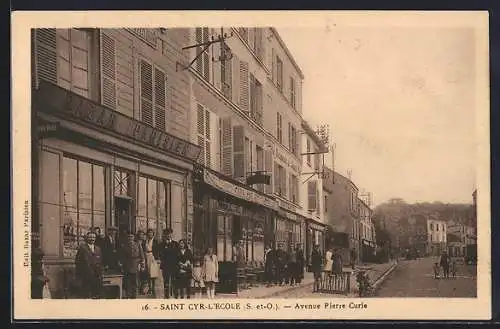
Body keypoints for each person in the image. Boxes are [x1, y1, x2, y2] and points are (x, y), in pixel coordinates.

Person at [75, 231, 103, 299]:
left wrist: (99, 271)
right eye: (90, 237)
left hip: (96, 275)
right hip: (86, 275)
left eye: (93, 237)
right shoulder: (82, 248)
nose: (92, 239)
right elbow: (77, 261)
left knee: (96, 293)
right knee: (86, 294)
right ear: (87, 238)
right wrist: (81, 273)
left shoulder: (98, 248)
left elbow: (100, 261)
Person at [119, 231, 145, 299]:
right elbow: (122, 256)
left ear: (134, 237)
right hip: (127, 265)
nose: (130, 238)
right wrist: (122, 265)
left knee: (135, 281)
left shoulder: (138, 244)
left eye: (131, 236)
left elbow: (142, 255)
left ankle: (134, 296)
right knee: (128, 282)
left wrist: (142, 265)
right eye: (129, 237)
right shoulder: (124, 245)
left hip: (136, 264)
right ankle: (128, 295)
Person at [158, 228, 180, 299]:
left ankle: (176, 296)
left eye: (170, 234)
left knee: (175, 281)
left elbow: (178, 254)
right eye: (167, 234)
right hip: (165, 266)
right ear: (164, 235)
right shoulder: (161, 244)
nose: (168, 235)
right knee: (166, 282)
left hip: (174, 265)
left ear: (172, 234)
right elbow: (160, 255)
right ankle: (166, 296)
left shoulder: (175, 244)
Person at [142, 229, 160, 297]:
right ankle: (149, 287)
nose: (150, 234)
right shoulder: (145, 241)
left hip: (153, 257)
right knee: (148, 273)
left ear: (153, 234)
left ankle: (153, 288)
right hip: (146, 256)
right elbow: (143, 249)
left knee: (153, 273)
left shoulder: (155, 241)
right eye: (149, 233)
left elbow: (158, 250)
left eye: (151, 233)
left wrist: (157, 258)